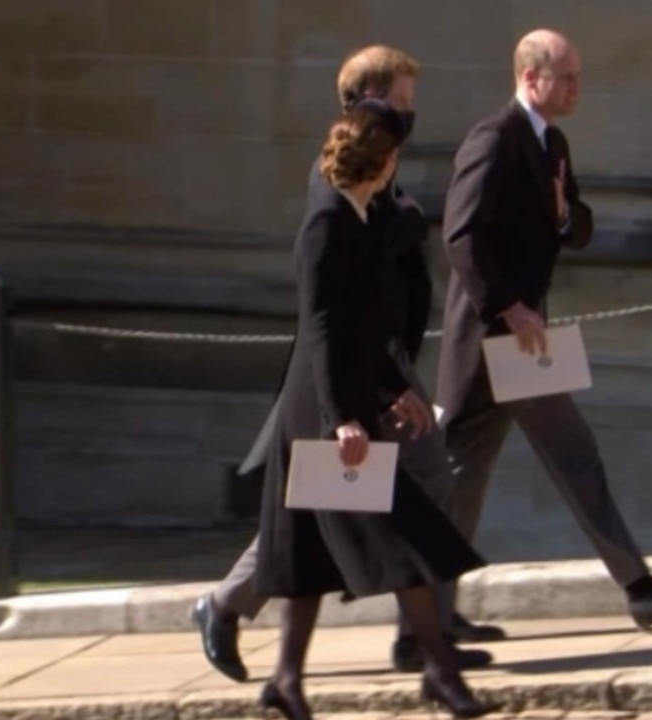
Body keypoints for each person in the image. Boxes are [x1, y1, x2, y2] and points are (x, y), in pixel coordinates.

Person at [191, 46, 501, 683]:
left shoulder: (379, 164)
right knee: (342, 500)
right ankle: (414, 641)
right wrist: (366, 398)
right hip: (350, 370)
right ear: (366, 102)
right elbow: (335, 301)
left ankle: (415, 637)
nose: (411, 118)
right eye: (402, 103)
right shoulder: (338, 173)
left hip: (380, 360)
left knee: (363, 493)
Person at [435, 28, 652, 630]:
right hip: (496, 336)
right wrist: (509, 306)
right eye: (566, 77)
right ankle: (637, 587)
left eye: (578, 76)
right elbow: (461, 236)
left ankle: (427, 621)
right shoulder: (494, 139)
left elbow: (578, 226)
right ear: (530, 79)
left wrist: (564, 215)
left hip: (523, 337)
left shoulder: (551, 143)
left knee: (470, 473)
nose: (577, 87)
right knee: (558, 457)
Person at [253, 101, 498, 720]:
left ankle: (286, 681)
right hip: (321, 417)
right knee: (406, 536)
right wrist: (344, 418)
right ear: (383, 162)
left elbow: (366, 326)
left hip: (346, 406)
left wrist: (397, 388)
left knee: (309, 557)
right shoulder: (327, 222)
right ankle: (441, 672)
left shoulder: (357, 217)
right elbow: (323, 329)